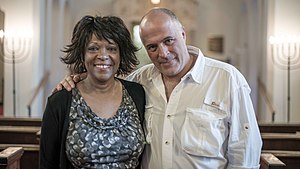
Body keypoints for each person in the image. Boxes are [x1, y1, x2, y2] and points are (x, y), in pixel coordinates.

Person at [56, 8, 263, 169]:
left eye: (168, 41)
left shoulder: (226, 79)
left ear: (183, 34)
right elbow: (105, 80)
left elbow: (245, 152)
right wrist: (78, 79)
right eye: (152, 47)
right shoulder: (139, 82)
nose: (163, 53)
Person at [40, 15, 146, 169]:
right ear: (82, 54)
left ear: (121, 55)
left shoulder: (138, 94)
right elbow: (47, 163)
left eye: (111, 48)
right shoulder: (60, 102)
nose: (103, 56)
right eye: (93, 48)